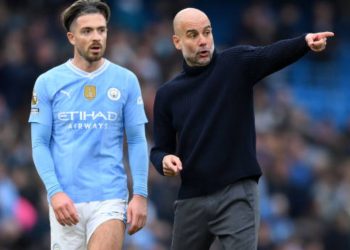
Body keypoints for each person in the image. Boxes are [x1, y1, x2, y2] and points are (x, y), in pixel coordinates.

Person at [150, 7, 334, 250]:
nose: (203, 41)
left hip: (236, 193)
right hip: (191, 198)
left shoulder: (234, 63)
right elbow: (160, 149)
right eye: (193, 35)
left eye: (207, 32)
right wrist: (164, 161)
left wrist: (304, 42)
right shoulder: (167, 95)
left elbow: (270, 55)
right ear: (177, 41)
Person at [29, 1, 149, 249]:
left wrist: (140, 194)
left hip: (110, 198)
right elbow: (39, 143)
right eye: (87, 31)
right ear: (72, 37)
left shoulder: (126, 80)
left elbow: (137, 140)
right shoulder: (47, 82)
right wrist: (55, 192)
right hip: (65, 202)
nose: (96, 37)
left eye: (101, 30)